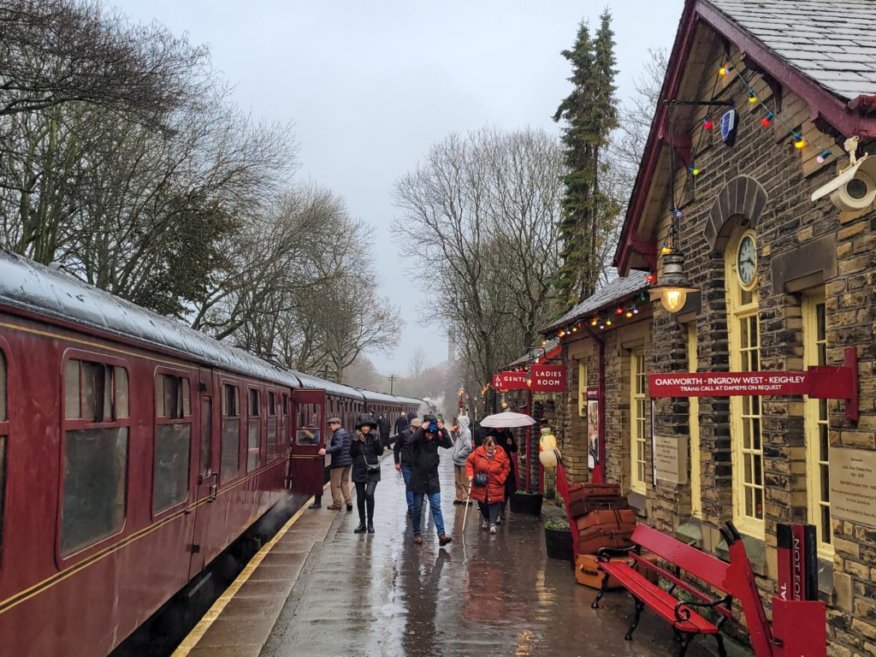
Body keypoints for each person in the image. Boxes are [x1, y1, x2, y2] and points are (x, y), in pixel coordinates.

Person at [409, 414, 453, 546]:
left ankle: (441, 535)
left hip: (433, 478)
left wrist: (443, 429)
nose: (429, 436)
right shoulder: (418, 439)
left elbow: (449, 444)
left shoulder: (435, 440)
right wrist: (422, 429)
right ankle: (417, 533)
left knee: (436, 506)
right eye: (428, 434)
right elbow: (410, 440)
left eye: (432, 434)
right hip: (418, 478)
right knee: (417, 508)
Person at [466, 435, 510, 534]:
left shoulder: (501, 454)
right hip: (481, 484)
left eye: (492, 446)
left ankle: (493, 524)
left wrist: (501, 478)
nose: (490, 448)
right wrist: (470, 475)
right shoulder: (477, 453)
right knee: (483, 504)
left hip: (496, 483)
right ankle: (486, 518)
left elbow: (506, 467)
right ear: (484, 445)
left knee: (495, 503)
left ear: (495, 446)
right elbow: (469, 462)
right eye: (488, 446)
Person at [350, 412, 384, 533]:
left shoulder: (375, 436)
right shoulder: (355, 437)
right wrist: (354, 441)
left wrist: (376, 439)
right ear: (360, 427)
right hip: (359, 470)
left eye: (367, 426)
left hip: (372, 470)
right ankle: (362, 523)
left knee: (369, 495)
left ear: (370, 426)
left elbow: (380, 452)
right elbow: (352, 453)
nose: (365, 428)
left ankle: (370, 523)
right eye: (363, 426)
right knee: (360, 497)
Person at [322, 417, 353, 511]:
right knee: (345, 483)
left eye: (331, 425)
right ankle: (349, 502)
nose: (330, 427)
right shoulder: (345, 432)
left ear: (336, 424)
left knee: (335, 484)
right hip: (347, 462)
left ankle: (337, 504)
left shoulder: (338, 434)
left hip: (339, 463)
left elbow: (338, 447)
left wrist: (326, 451)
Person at [394, 417, 421, 516]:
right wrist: (397, 462)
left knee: (417, 486)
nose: (416, 429)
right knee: (409, 485)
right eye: (415, 427)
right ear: (411, 426)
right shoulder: (404, 434)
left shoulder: (422, 435)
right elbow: (396, 448)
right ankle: (411, 507)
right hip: (406, 465)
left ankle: (416, 506)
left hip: (418, 465)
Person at [493, 428, 518, 523]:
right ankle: (496, 510)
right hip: (495, 464)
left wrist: (511, 443)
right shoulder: (491, 435)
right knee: (497, 487)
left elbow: (515, 449)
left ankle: (501, 510)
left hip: (506, 464)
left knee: (507, 488)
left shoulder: (508, 434)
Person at [450, 416, 473, 504]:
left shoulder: (466, 432)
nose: (457, 424)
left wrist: (458, 455)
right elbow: (455, 441)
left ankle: (466, 497)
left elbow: (468, 447)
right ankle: (459, 496)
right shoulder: (459, 432)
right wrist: (452, 432)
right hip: (457, 461)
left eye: (458, 423)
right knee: (457, 480)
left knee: (464, 480)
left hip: (463, 461)